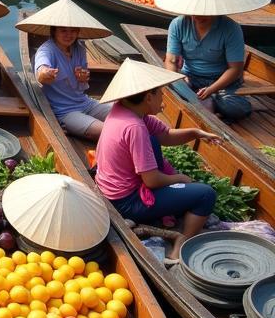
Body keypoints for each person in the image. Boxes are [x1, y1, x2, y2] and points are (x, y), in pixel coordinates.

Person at [94, 60, 221, 243]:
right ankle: (183, 240)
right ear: (148, 98)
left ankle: (170, 208)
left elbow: (166, 135)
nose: (162, 97)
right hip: (126, 202)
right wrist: (179, 178)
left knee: (153, 139)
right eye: (160, 93)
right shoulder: (134, 127)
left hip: (114, 190)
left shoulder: (124, 109)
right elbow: (152, 181)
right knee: (206, 194)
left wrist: (196, 133)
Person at [19, 0, 113, 139]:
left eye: (73, 31)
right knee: (107, 132)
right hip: (65, 112)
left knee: (126, 115)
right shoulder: (46, 51)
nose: (69, 35)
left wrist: (83, 77)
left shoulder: (79, 48)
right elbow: (41, 72)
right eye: (63, 31)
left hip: (86, 103)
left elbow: (83, 81)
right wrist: (45, 74)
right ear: (54, 31)